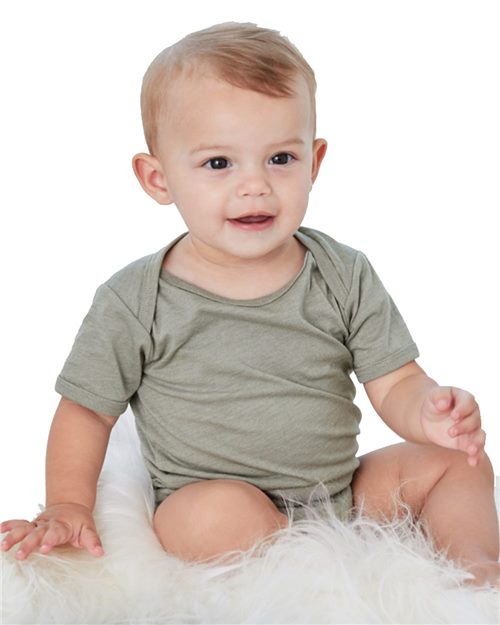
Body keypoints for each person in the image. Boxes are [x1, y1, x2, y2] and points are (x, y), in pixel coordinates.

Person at [1, 22, 498, 586]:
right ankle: (319, 577)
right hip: (213, 502)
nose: (255, 185)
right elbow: (88, 411)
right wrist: (68, 503)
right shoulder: (134, 298)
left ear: (315, 160)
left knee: (458, 466)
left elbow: (394, 382)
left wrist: (432, 409)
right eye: (219, 164)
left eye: (281, 159)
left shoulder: (342, 272)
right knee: (211, 518)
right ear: (158, 178)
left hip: (340, 494)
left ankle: (477, 581)